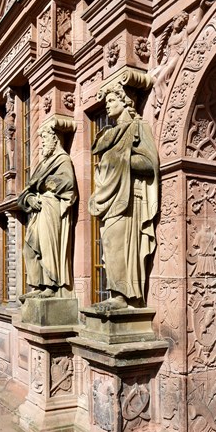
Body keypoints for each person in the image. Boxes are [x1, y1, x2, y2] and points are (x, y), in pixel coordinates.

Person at [88, 82, 159, 309]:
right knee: (109, 242)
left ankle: (125, 295)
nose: (107, 106)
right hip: (111, 197)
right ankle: (116, 292)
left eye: (111, 101)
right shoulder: (110, 134)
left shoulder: (139, 127)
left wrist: (122, 160)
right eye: (106, 101)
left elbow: (150, 164)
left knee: (119, 242)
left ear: (125, 101)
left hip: (129, 198)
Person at [18, 122, 77, 299]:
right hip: (38, 209)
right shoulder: (44, 164)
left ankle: (51, 286)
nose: (42, 143)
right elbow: (26, 191)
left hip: (51, 207)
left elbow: (68, 183)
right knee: (29, 247)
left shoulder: (62, 159)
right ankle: (37, 284)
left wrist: (44, 186)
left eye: (44, 138)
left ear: (55, 139)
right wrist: (30, 198)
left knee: (47, 245)